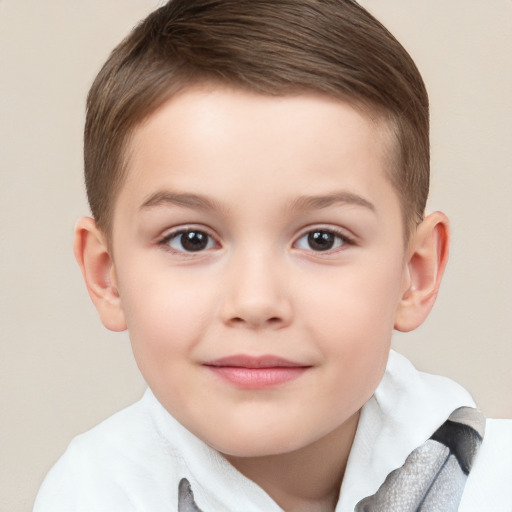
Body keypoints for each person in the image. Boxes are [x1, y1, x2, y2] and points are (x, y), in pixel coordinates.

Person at [33, 1, 511, 511]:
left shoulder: (495, 484)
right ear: (107, 277)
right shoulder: (89, 496)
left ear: (414, 273)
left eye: (322, 239)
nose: (256, 301)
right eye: (191, 239)